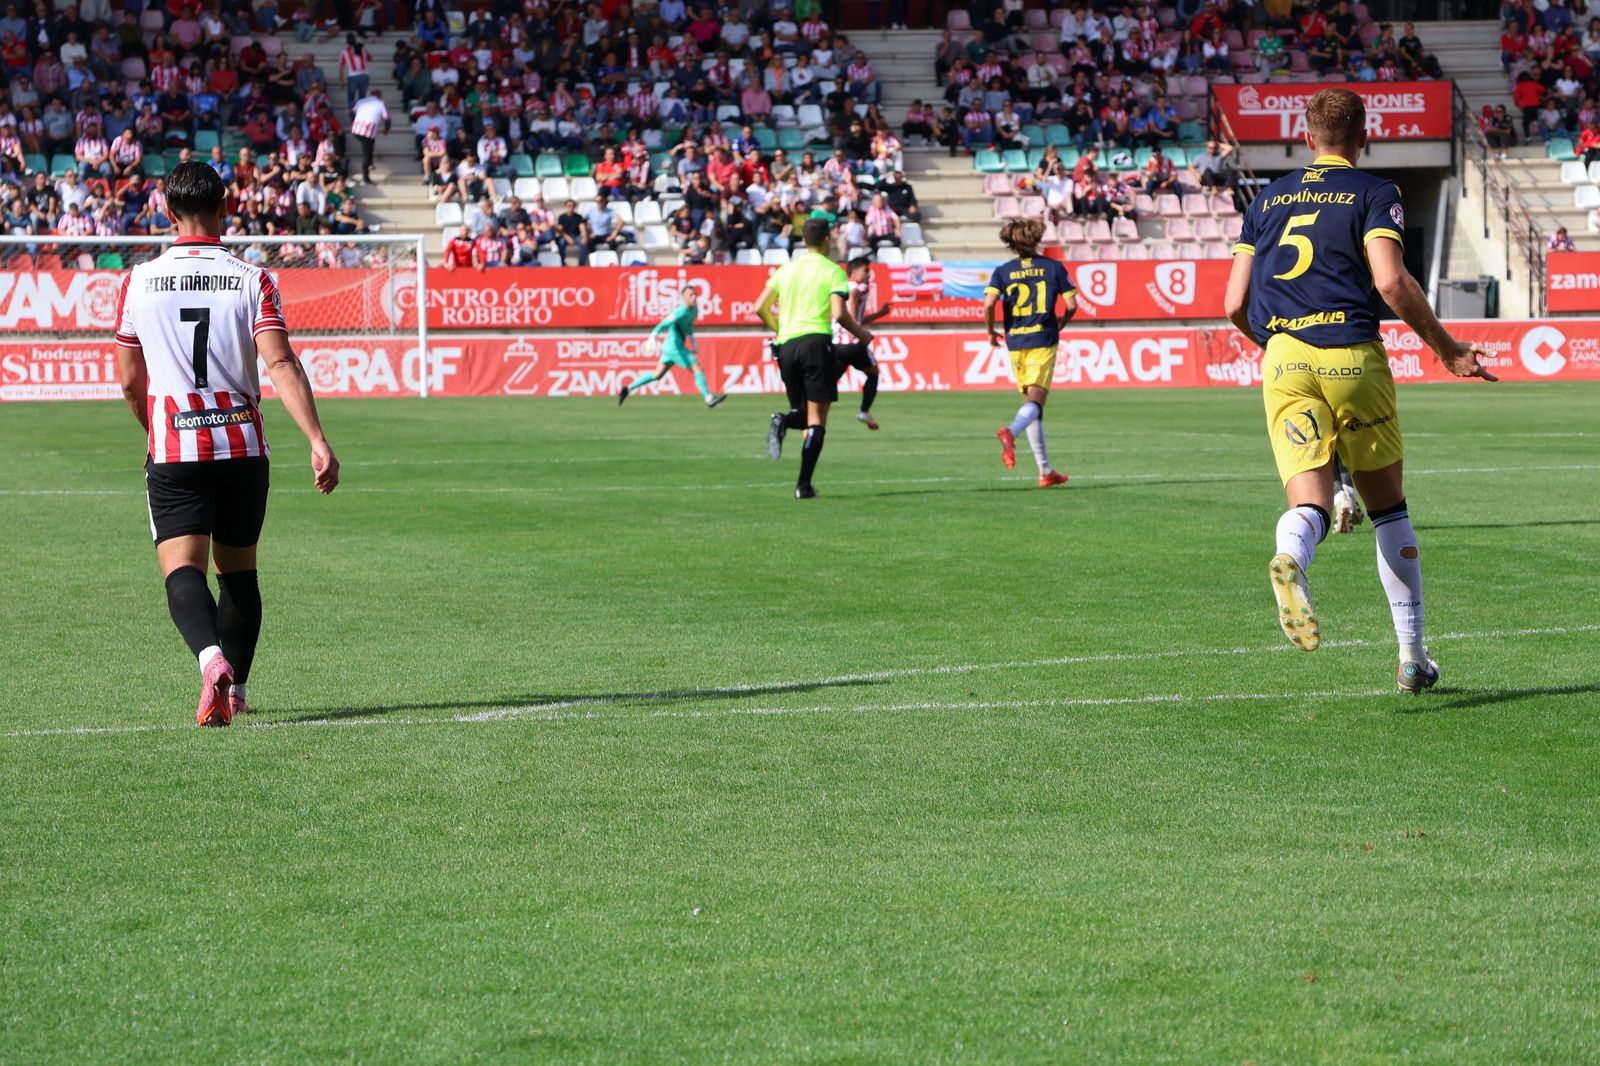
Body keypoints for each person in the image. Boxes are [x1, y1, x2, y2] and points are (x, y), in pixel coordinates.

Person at [1223, 88, 1496, 692]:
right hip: (1349, 353)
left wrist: (1269, 342)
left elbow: (1234, 302)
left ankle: (1293, 556)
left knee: (1311, 505)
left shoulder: (1265, 200)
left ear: (1306, 134)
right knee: (1388, 510)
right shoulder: (1376, 192)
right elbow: (1391, 282)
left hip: (1285, 357)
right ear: (1362, 135)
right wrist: (1448, 350)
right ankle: (1412, 656)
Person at [111, 163, 339, 727]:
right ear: (225, 207)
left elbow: (127, 378)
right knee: (239, 572)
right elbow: (280, 360)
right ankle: (236, 695)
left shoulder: (138, 281)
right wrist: (317, 439)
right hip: (242, 444)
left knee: (180, 570)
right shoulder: (252, 278)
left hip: (175, 448)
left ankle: (210, 659)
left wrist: (153, 428)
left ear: (166, 213)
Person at [754, 217, 874, 499]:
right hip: (816, 345)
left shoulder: (786, 269)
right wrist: (863, 334)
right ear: (827, 240)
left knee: (804, 413)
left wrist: (780, 329)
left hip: (785, 347)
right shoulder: (833, 271)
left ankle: (784, 423)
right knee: (817, 419)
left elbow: (759, 306)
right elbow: (838, 313)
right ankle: (803, 484)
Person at [984, 218, 1075, 489]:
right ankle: (1011, 432)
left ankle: (1045, 471)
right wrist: (1061, 322)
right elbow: (1071, 304)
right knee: (1036, 403)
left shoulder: (1003, 271)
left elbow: (988, 303)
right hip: (1043, 338)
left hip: (1015, 342)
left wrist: (990, 332)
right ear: (1036, 239)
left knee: (1033, 407)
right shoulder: (1054, 267)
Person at [616, 287, 725, 408]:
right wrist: (653, 335)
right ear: (684, 298)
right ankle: (709, 398)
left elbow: (687, 327)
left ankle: (627, 388)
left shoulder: (694, 311)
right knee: (697, 368)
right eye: (690, 295)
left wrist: (693, 340)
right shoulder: (680, 311)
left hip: (669, 348)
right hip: (674, 347)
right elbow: (665, 322)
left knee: (657, 375)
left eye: (695, 294)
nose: (694, 297)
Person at [835, 256, 892, 431]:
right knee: (873, 373)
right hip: (853, 343)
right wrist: (855, 331)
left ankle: (806, 410)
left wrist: (880, 314)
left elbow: (857, 318)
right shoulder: (857, 287)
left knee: (829, 381)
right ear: (854, 271)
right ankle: (864, 411)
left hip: (836, 343)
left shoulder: (840, 287)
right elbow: (853, 300)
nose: (869, 274)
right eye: (866, 270)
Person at [350, 87, 389, 184]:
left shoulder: (361, 101)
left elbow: (352, 112)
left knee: (370, 147)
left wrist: (354, 122)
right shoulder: (381, 103)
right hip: (368, 131)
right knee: (366, 154)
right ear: (379, 96)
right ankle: (366, 178)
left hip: (357, 129)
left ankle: (370, 163)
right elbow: (387, 118)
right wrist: (386, 129)